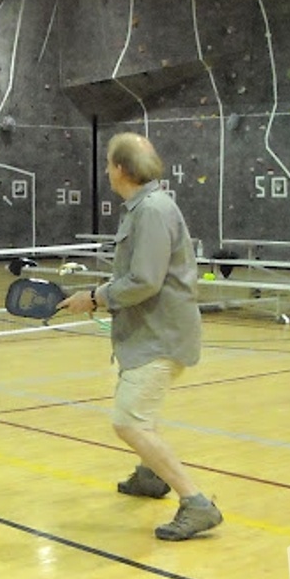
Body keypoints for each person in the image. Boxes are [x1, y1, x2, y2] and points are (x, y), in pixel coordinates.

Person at [58, 133, 222, 541]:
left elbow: (145, 281)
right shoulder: (143, 208)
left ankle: (196, 502)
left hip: (161, 336)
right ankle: (151, 476)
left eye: (110, 163)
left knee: (129, 422)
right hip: (149, 333)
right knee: (140, 414)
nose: (108, 170)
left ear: (121, 169)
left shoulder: (151, 211)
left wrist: (95, 298)